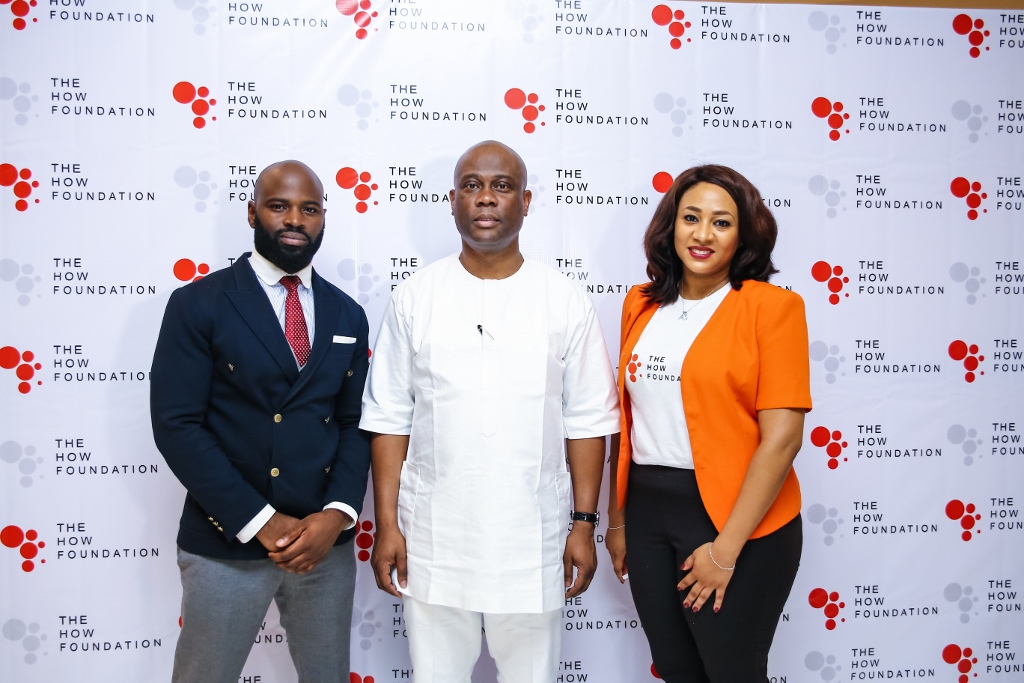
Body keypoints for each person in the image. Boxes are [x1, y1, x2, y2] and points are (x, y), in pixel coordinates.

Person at [360, 140, 620, 683]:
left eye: (501, 186)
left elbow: (590, 422)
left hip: (533, 539)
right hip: (433, 537)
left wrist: (583, 524)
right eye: (472, 186)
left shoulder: (564, 298)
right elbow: (389, 418)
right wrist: (388, 525)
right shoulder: (416, 297)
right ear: (452, 200)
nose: (486, 198)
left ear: (525, 202)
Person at [150, 160, 371, 683]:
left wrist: (337, 515)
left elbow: (354, 423)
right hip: (228, 543)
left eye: (309, 209)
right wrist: (261, 522)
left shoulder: (348, 314)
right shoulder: (199, 304)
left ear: (323, 219)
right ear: (253, 213)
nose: (295, 219)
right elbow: (177, 425)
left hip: (324, 549)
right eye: (279, 206)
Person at [605, 165, 811, 682]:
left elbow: (782, 439)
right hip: (649, 513)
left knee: (732, 672)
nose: (702, 234)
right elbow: (629, 422)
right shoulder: (641, 303)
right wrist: (618, 520)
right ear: (670, 226)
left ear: (743, 234)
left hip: (737, 518)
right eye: (690, 218)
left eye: (721, 223)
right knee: (677, 670)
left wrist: (726, 550)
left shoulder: (773, 308)